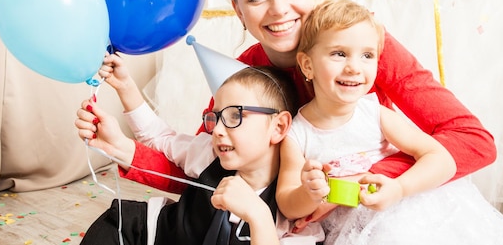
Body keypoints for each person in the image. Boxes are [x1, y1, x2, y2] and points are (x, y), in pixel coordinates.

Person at [95, 0, 496, 213]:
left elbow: (473, 140)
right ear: (237, 10)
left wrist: (363, 179)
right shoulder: (240, 79)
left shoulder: (365, 47)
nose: (279, 9)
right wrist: (129, 152)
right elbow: (209, 172)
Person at [276, 0, 503, 244]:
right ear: (307, 65)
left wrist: (400, 189)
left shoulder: (375, 114)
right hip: (355, 231)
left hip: (409, 207)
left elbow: (442, 159)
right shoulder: (297, 134)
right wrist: (310, 193)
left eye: (367, 55)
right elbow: (287, 204)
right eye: (339, 54)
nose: (354, 67)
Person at [75, 66, 325, 245]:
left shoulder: (294, 203)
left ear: (279, 127)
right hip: (144, 234)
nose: (216, 130)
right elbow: (160, 138)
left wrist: (258, 215)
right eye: (214, 117)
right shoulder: (207, 154)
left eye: (235, 116)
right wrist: (126, 87)